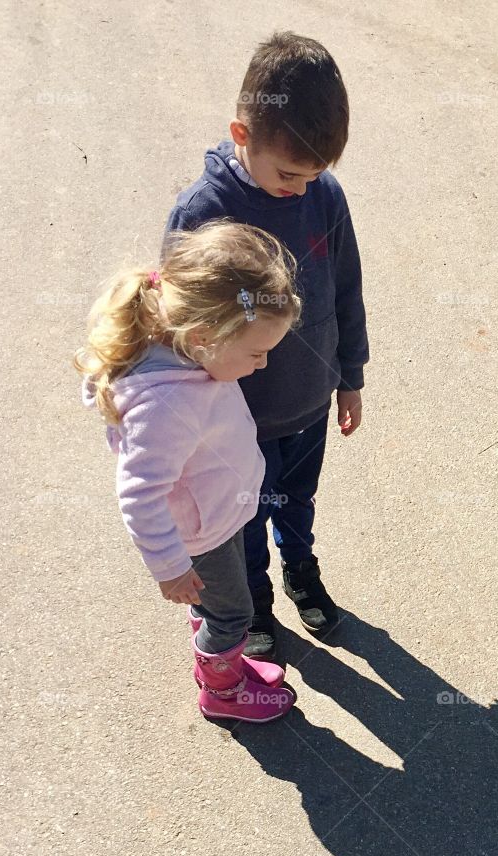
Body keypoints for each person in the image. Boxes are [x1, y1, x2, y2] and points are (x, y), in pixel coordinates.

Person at [163, 31, 369, 657]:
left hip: (305, 403)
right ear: (242, 134)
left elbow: (346, 290)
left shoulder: (323, 197)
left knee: (295, 503)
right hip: (232, 419)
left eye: (316, 175)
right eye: (289, 174)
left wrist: (349, 374)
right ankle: (250, 603)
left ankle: (301, 570)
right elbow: (177, 327)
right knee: (241, 518)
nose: (302, 189)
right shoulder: (203, 213)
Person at [75, 221, 302, 723]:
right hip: (203, 534)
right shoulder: (167, 402)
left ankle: (213, 637)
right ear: (204, 336)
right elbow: (138, 495)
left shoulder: (189, 358)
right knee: (233, 614)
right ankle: (221, 688)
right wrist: (171, 566)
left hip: (217, 514)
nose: (262, 365)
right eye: (257, 352)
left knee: (219, 603)